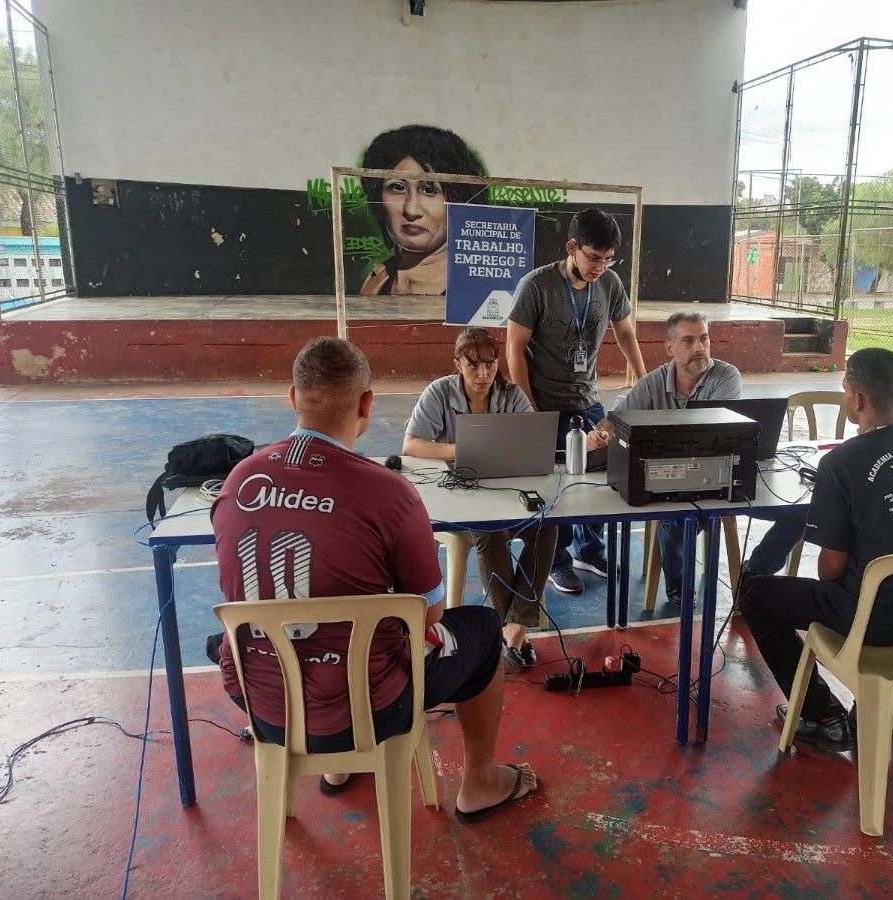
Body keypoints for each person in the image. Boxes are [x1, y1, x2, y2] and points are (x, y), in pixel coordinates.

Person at [212, 336, 537, 820]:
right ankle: (481, 784)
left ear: (293, 397)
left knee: (252, 630)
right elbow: (430, 614)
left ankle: (337, 769)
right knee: (484, 629)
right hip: (371, 707)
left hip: (263, 700)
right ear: (367, 405)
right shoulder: (389, 493)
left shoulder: (239, 480)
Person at [740, 347, 893, 752]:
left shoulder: (840, 464)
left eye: (846, 390)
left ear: (857, 399)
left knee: (755, 595)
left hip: (877, 621)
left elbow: (830, 571)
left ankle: (823, 716)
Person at [506, 208, 647, 594]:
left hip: (588, 400)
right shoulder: (536, 286)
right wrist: (529, 408)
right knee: (554, 486)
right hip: (546, 401)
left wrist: (645, 379)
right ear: (572, 248)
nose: (600, 267)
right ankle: (557, 560)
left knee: (600, 478)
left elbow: (626, 333)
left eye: (607, 259)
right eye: (593, 257)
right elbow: (514, 349)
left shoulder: (611, 284)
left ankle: (590, 549)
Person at [403, 327, 556, 671]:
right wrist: (463, 450)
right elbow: (411, 445)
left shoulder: (511, 394)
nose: (483, 374)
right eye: (473, 366)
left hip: (506, 491)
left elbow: (532, 441)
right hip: (459, 496)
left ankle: (511, 626)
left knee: (548, 527)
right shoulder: (438, 393)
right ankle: (514, 628)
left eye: (490, 364)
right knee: (490, 535)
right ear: (457, 363)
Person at [603, 311, 741, 604]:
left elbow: (710, 435)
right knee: (670, 514)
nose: (699, 348)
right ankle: (678, 586)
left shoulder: (726, 377)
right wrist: (599, 433)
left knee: (676, 520)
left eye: (703, 339)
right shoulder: (653, 383)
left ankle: (678, 586)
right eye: (688, 341)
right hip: (665, 478)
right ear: (669, 348)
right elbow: (616, 421)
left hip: (713, 478)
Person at [358, 125, 487, 296]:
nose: (411, 210)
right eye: (397, 187)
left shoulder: (473, 287)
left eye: (429, 190)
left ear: (458, 200)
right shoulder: (377, 280)